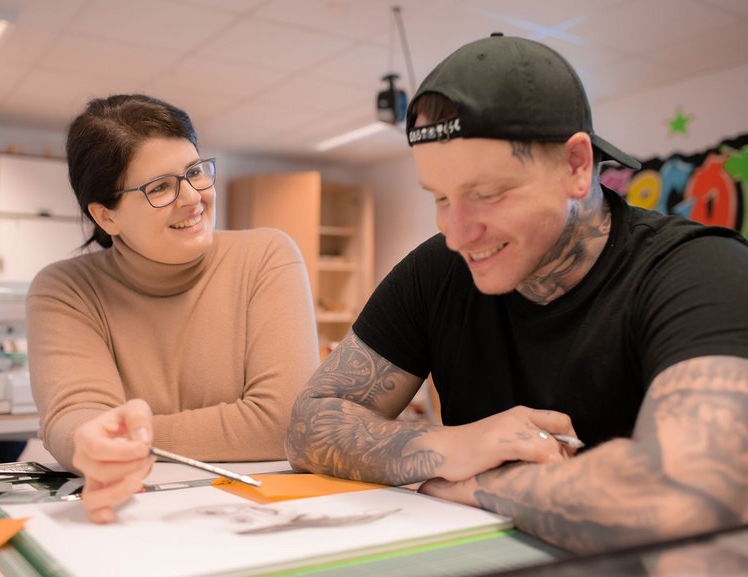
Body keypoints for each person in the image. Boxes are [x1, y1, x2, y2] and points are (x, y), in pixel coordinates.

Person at [285, 33, 748, 554]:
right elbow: (308, 420)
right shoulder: (438, 269)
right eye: (441, 198)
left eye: (485, 194)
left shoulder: (700, 271)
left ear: (575, 166)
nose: (457, 234)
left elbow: (699, 499)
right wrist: (447, 446)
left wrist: (479, 487)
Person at [26, 94, 319, 522]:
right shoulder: (65, 289)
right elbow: (80, 418)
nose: (192, 198)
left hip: (257, 513)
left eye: (195, 173)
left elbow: (284, 422)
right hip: (132, 518)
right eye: (160, 187)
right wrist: (79, 435)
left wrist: (124, 437)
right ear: (107, 217)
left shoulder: (266, 255)